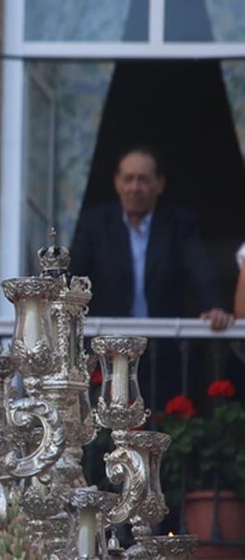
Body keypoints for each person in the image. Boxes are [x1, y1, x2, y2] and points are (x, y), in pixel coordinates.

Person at [70, 144, 232, 406]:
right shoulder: (96, 225)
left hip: (164, 353)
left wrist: (214, 307)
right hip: (107, 354)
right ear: (117, 183)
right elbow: (73, 279)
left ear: (160, 184)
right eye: (128, 179)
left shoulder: (179, 224)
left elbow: (199, 270)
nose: (135, 187)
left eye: (143, 179)